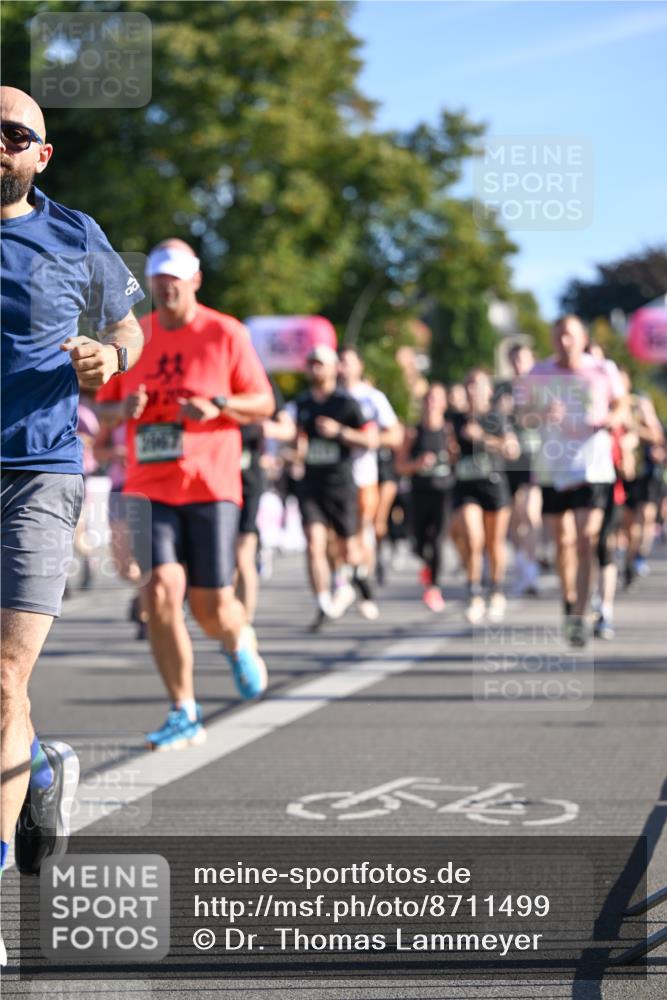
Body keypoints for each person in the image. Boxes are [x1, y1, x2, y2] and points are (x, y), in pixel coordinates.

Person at [0, 87, 144, 942]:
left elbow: (130, 331)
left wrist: (108, 358)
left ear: (40, 154)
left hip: (38, 472)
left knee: (3, 678)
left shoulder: (73, 233)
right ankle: (41, 766)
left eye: (13, 133)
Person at [96, 239, 274, 750]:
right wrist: (123, 410)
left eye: (175, 276)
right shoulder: (135, 336)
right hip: (149, 486)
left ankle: (237, 637)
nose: (166, 285)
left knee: (210, 607)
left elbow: (263, 402)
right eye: (159, 276)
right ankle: (183, 710)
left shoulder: (225, 333)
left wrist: (219, 405)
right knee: (158, 591)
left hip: (210, 485)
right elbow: (102, 408)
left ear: (195, 280)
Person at [516, 316, 623, 646]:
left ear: (583, 338)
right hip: (552, 467)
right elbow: (522, 415)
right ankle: (568, 600)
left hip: (593, 468)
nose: (564, 342)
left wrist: (609, 418)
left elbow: (622, 405)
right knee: (563, 543)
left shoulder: (603, 369)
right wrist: (541, 414)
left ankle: (580, 613)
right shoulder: (539, 373)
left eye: (570, 336)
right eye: (559, 336)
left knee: (587, 539)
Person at [294, 344, 378, 630]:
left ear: (333, 369)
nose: (315, 369)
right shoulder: (303, 404)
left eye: (320, 364)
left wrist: (339, 431)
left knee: (349, 550)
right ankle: (323, 603)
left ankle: (359, 577)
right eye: (311, 364)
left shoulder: (347, 403)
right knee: (314, 543)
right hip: (311, 484)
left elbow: (370, 440)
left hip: (340, 484)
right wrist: (292, 453)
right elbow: (297, 439)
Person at [337, 345, 403, 612]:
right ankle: (345, 582)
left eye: (347, 362)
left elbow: (395, 436)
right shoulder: (329, 396)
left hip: (363, 476)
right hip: (333, 478)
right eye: (339, 362)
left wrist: (367, 439)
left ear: (359, 366)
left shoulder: (372, 398)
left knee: (361, 532)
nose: (342, 368)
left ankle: (361, 582)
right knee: (336, 535)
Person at [450, 369, 518, 624]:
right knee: (472, 537)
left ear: (488, 391)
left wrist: (482, 438)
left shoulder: (495, 418)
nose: (472, 390)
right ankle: (474, 593)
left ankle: (497, 591)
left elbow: (512, 449)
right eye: (468, 384)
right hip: (466, 487)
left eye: (477, 385)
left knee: (493, 543)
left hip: (493, 485)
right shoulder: (455, 419)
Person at [235, 377, 295, 630]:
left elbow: (287, 429)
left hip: (247, 477)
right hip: (208, 477)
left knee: (241, 555)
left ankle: (244, 628)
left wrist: (269, 429)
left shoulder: (259, 380)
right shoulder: (205, 373)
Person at [396, 383, 455, 611]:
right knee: (419, 543)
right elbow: (400, 465)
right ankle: (427, 566)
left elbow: (456, 458)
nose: (431, 403)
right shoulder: (413, 433)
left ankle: (434, 588)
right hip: (419, 492)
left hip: (443, 492)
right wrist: (417, 464)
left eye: (436, 399)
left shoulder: (448, 431)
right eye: (428, 399)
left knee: (438, 539)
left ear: (444, 403)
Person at [503, 344, 542, 597]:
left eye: (523, 359)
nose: (519, 364)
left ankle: (532, 568)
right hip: (510, 458)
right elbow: (496, 420)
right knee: (515, 516)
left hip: (535, 455)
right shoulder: (504, 390)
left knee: (530, 512)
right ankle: (522, 565)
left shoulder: (540, 388)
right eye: (515, 359)